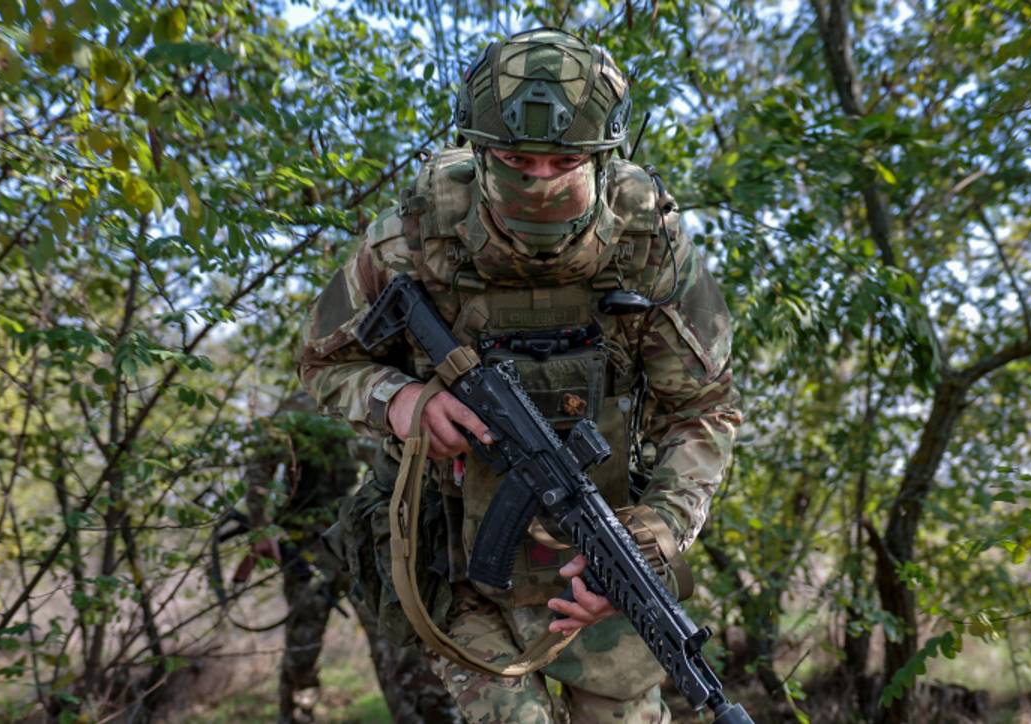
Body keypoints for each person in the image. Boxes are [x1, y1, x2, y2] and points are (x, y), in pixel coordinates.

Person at [297, 27, 741, 723]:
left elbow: (704, 410)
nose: (538, 180)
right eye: (514, 160)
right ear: (478, 151)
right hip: (456, 567)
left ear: (604, 155)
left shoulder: (648, 246)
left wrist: (654, 537)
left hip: (595, 566)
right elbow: (323, 360)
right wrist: (402, 401)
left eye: (563, 161)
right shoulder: (416, 237)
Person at [237, 390, 459, 723]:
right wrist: (260, 527)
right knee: (303, 649)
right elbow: (260, 467)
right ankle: (297, 714)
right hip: (309, 548)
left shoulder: (374, 392)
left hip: (366, 545)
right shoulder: (299, 406)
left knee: (395, 642)